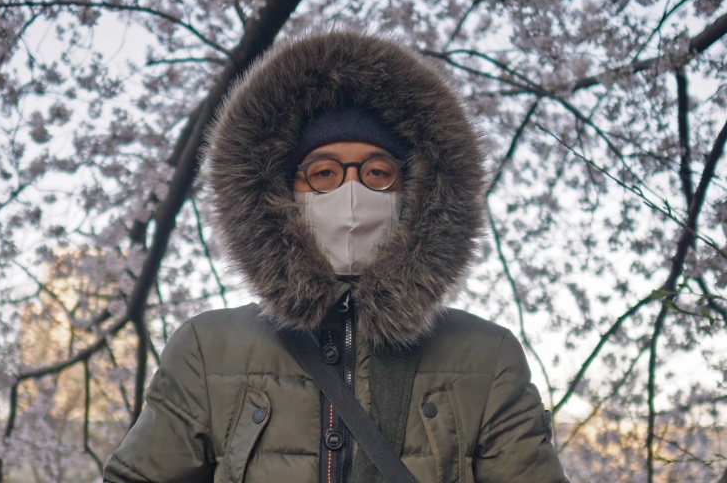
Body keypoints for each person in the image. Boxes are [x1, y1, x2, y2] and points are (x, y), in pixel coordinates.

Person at [104, 29, 568, 482]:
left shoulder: (487, 357)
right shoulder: (207, 350)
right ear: (282, 193)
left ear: (417, 194)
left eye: (377, 172)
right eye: (324, 173)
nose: (351, 192)